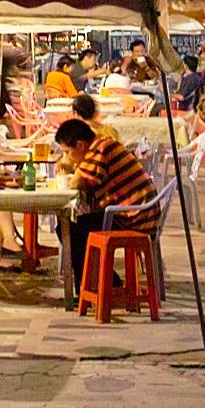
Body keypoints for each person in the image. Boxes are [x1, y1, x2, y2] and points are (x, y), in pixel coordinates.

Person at [53, 117, 160, 294]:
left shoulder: (101, 148)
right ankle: (104, 282)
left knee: (69, 230)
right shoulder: (101, 145)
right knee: (75, 227)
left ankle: (94, 286)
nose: (66, 157)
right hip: (137, 213)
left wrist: (70, 165)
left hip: (135, 218)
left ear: (80, 145)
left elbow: (76, 182)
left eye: (66, 152)